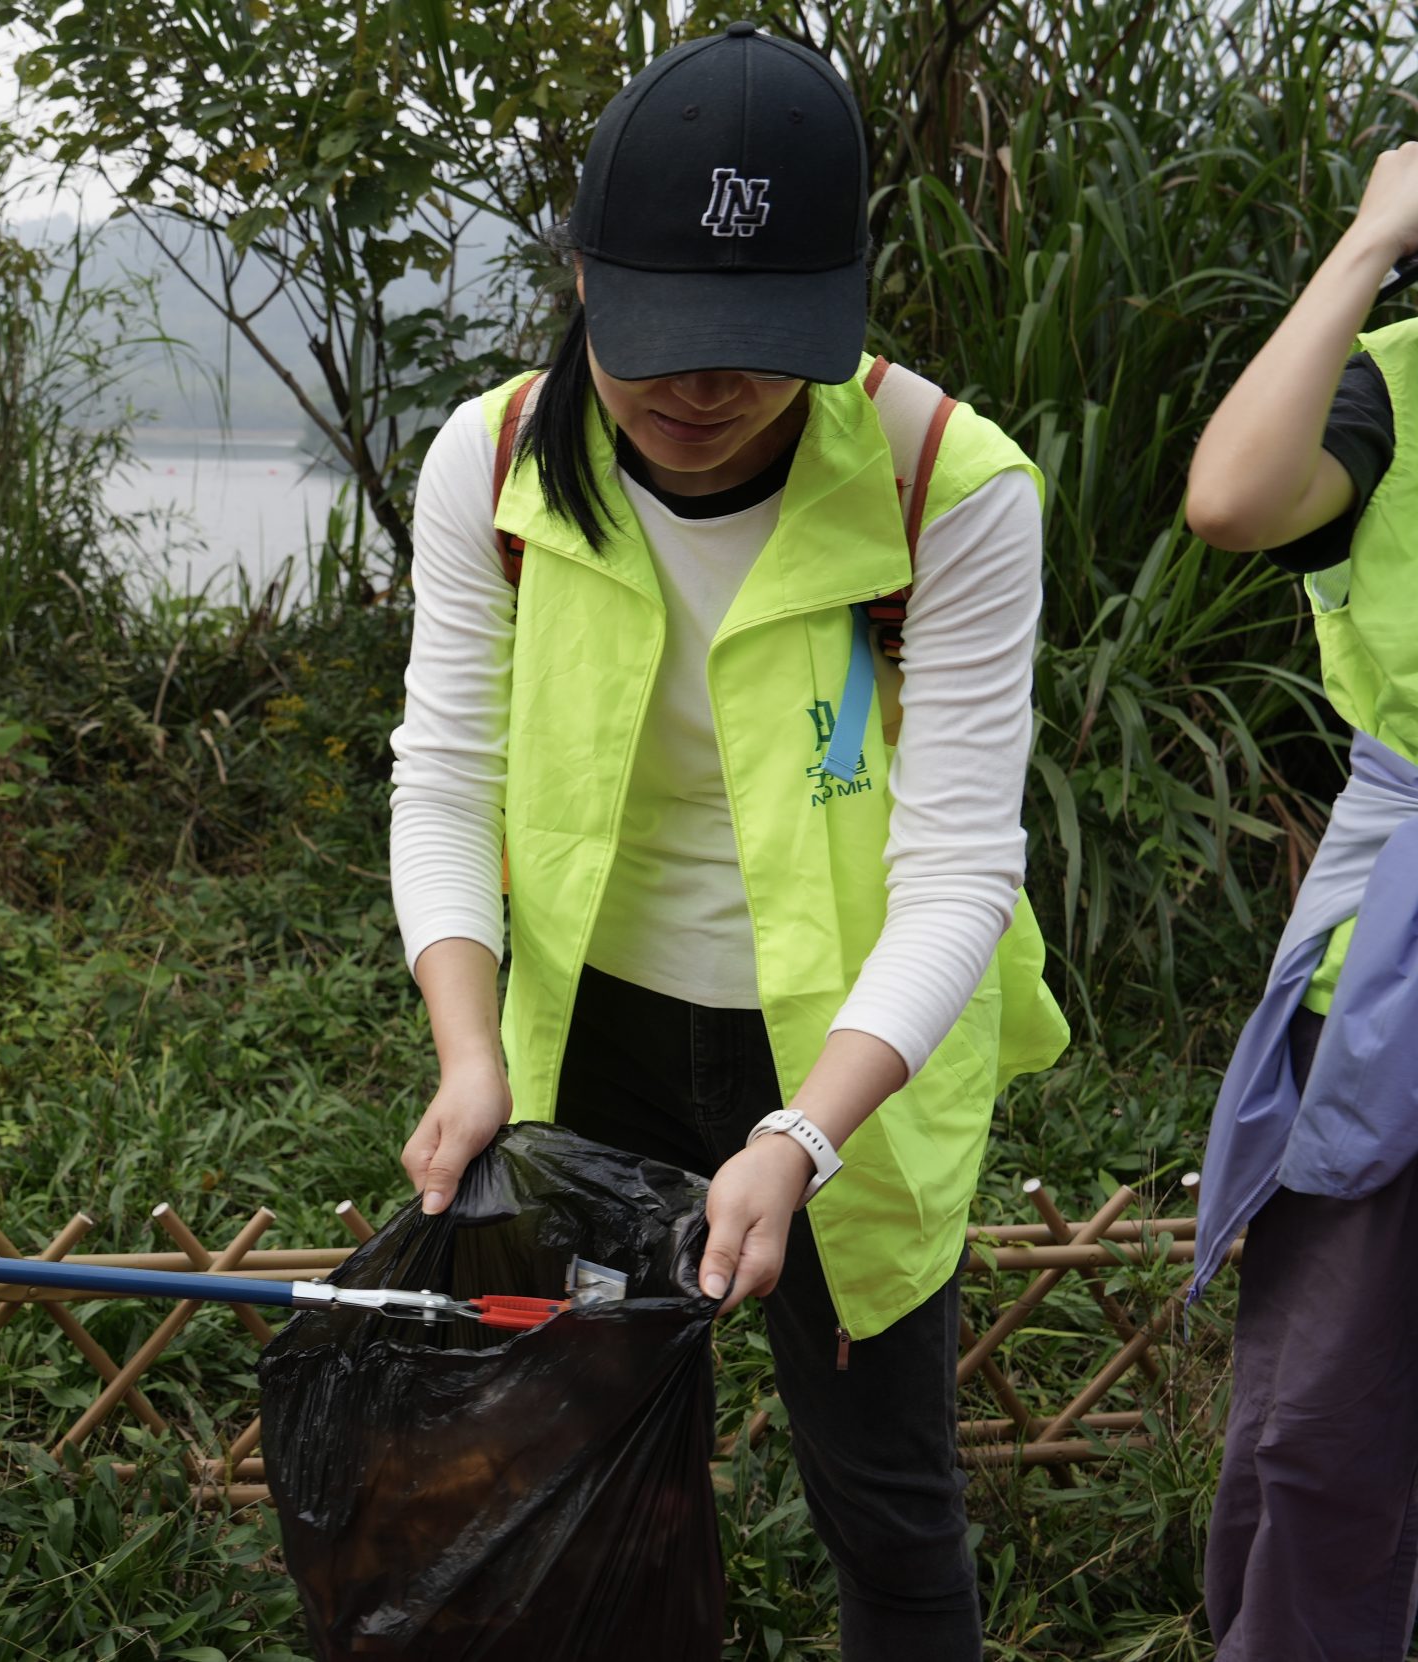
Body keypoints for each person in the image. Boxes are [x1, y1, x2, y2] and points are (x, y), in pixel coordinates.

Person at [387, 24, 1068, 1656]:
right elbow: (445, 780)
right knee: (586, 1489)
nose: (704, 390)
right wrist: (471, 1054)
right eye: (666, 342)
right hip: (590, 1041)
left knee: (890, 1509)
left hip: (853, 1049)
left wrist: (805, 1135)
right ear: (581, 277)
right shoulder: (493, 462)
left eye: (757, 348)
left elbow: (960, 870)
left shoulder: (946, 487)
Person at [1184, 142, 1418, 1662]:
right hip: (1390, 1007)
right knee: (1321, 1432)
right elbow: (1230, 498)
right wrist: (1370, 241)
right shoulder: (1394, 385)